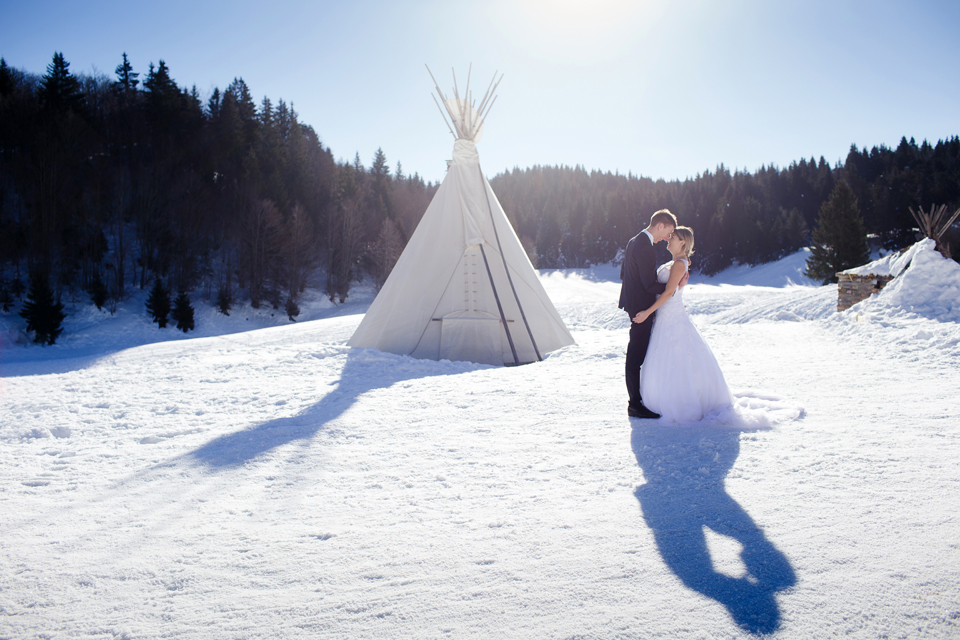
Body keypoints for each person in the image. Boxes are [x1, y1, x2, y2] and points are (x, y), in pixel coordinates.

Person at [633, 226, 735, 423]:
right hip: (667, 315)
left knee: (676, 355)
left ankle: (678, 400)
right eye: (670, 236)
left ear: (683, 243)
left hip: (671, 315)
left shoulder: (679, 264)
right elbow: (672, 290)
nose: (669, 239)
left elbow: (669, 293)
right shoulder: (675, 263)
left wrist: (647, 312)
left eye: (674, 237)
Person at [618, 209, 685, 419]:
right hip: (641, 309)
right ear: (660, 226)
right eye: (669, 232)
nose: (668, 237)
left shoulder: (633, 240)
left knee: (637, 354)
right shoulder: (645, 247)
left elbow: (624, 274)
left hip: (634, 303)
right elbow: (648, 285)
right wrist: (671, 287)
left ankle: (637, 400)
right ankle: (635, 404)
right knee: (635, 357)